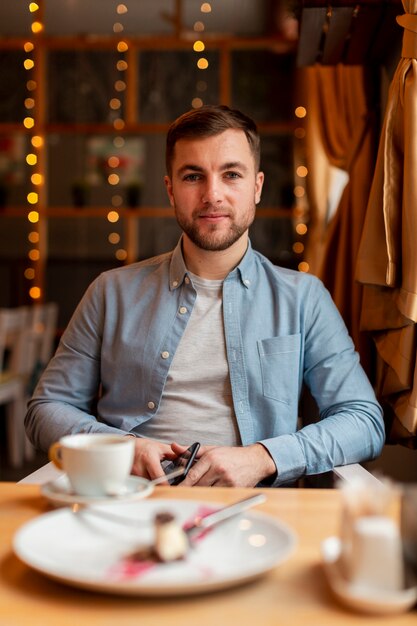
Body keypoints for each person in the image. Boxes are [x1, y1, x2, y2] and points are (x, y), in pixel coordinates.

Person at [25, 104, 385, 487]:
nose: (212, 195)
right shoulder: (109, 292)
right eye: (193, 176)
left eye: (231, 174)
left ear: (257, 187)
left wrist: (264, 458)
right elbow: (45, 410)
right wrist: (119, 447)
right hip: (126, 499)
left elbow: (363, 420)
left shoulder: (304, 297)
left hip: (255, 511)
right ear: (170, 190)